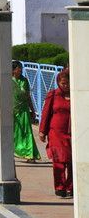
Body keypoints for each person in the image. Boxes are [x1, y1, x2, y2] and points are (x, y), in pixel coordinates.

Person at [39, 67, 72, 197]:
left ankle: (71, 186)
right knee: (59, 160)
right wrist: (42, 131)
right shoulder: (53, 94)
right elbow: (46, 113)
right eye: (63, 83)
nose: (65, 86)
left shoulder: (76, 94)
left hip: (71, 133)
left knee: (72, 161)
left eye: (67, 83)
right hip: (56, 133)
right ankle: (60, 187)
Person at [12, 61, 40, 162]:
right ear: (13, 70)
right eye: (18, 69)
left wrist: (32, 110)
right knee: (15, 133)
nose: (20, 71)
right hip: (12, 111)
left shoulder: (24, 81)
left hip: (23, 110)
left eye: (21, 69)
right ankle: (17, 151)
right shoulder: (9, 81)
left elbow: (28, 97)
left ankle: (30, 154)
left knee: (27, 132)